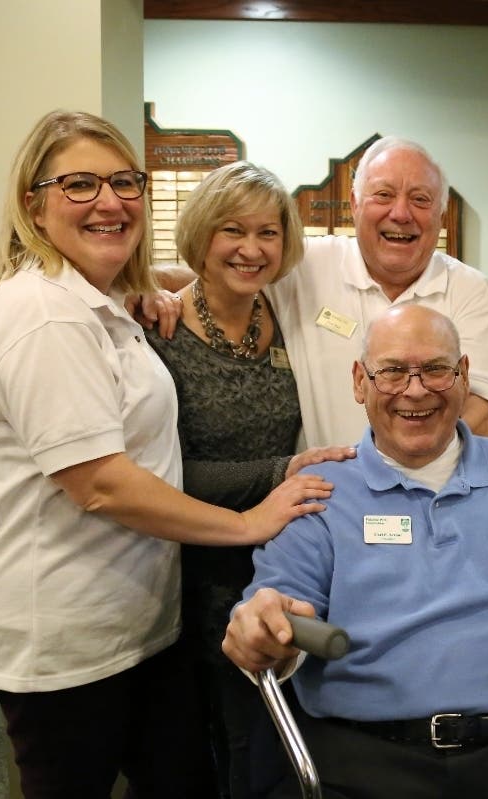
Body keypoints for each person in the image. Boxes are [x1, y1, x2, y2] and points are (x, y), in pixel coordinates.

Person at [0, 110, 333, 799]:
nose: (109, 201)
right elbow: (102, 484)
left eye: (124, 182)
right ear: (34, 201)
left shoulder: (111, 304)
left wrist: (161, 287)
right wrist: (249, 517)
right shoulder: (46, 315)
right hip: (69, 634)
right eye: (80, 185)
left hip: (143, 618)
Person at [223, 305, 488, 799]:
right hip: (357, 765)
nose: (415, 390)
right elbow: (276, 608)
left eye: (435, 369)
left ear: (464, 376)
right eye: (391, 371)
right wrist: (266, 629)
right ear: (359, 382)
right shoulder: (320, 492)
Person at [146, 161, 353, 798]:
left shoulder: (286, 311)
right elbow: (162, 473)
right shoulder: (160, 332)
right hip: (195, 565)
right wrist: (279, 473)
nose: (252, 249)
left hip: (281, 553)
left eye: (268, 233)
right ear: (202, 233)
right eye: (232, 231)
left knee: (274, 738)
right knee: (220, 742)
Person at [259, 136, 488, 445]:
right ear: (354, 204)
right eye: (383, 195)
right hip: (326, 488)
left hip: (436, 490)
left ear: (441, 215)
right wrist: (181, 302)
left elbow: (486, 414)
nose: (401, 213)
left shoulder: (469, 290)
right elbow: (223, 271)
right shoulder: (304, 266)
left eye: (420, 199)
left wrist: (397, 476)